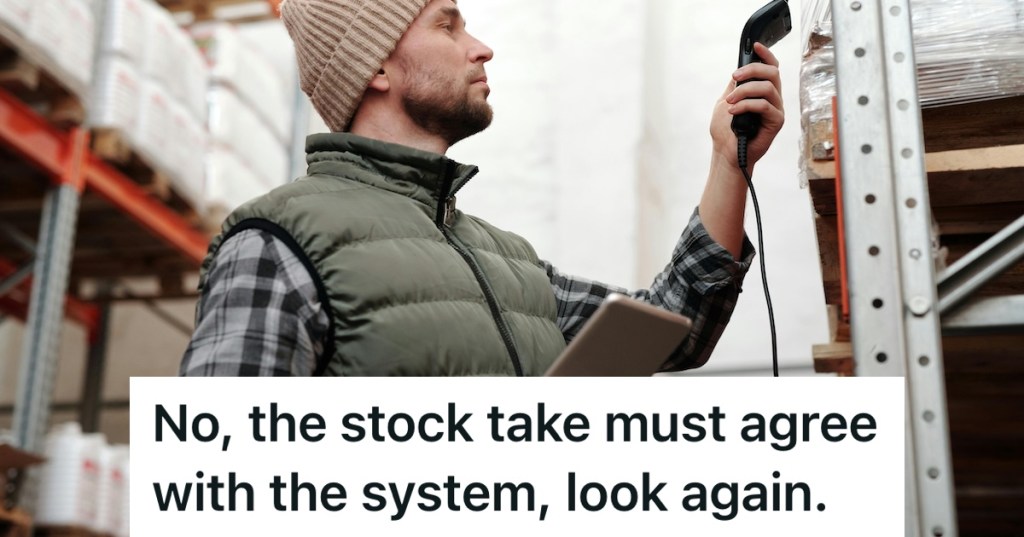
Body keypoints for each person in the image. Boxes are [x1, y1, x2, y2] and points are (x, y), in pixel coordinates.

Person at [180, 0, 785, 376]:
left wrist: (728, 163)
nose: (480, 48)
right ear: (378, 67)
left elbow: (676, 328)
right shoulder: (275, 245)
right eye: (449, 25)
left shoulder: (510, 264)